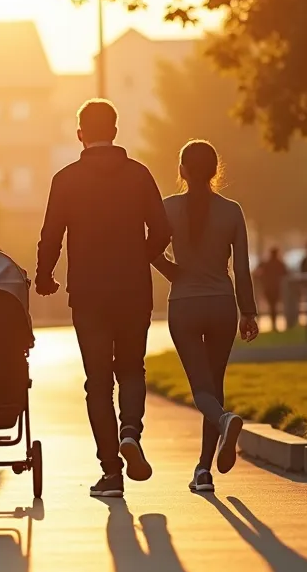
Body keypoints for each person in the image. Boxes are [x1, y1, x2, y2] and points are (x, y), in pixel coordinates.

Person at [36, 99, 171, 499]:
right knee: (131, 368)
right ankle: (131, 431)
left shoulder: (66, 179)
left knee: (97, 382)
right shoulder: (139, 175)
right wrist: (138, 258)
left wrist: (45, 277)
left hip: (89, 293)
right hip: (133, 290)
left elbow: (51, 235)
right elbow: (162, 231)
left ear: (80, 133)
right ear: (115, 131)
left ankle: (111, 472)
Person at [150, 140, 259, 495]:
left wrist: (172, 272)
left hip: (185, 305)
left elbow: (147, 247)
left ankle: (224, 424)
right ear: (215, 171)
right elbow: (241, 268)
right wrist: (249, 312)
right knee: (215, 384)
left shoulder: (167, 209)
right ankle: (203, 469)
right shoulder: (232, 211)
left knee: (201, 389)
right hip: (222, 305)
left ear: (181, 171)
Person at [255, 247, 288, 332]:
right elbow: (286, 273)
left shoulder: (266, 263)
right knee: (274, 306)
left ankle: (273, 324)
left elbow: (258, 273)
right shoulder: (279, 263)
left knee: (272, 306)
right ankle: (274, 324)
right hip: (276, 287)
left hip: (268, 288)